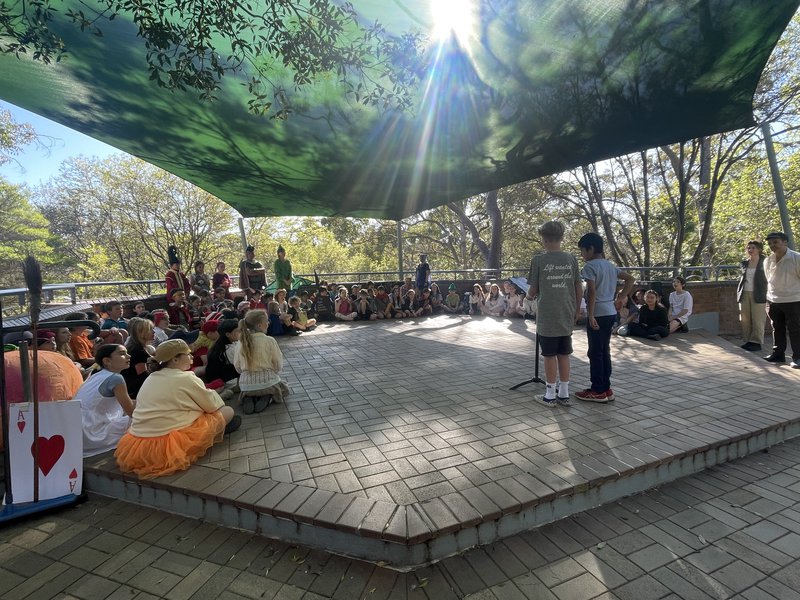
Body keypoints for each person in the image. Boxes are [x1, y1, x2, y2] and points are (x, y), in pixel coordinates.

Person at [115, 339, 241, 479]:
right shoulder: (185, 377)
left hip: (140, 443)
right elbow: (212, 406)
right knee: (228, 411)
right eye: (188, 353)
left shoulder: (151, 378)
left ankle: (216, 431)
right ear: (175, 359)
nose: (192, 356)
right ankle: (215, 432)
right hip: (170, 442)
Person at [527, 221, 583, 407]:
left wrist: (527, 297)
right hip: (566, 312)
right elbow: (578, 287)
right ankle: (564, 393)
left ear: (544, 239)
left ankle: (550, 395)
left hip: (547, 315)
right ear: (562, 237)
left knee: (549, 354)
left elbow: (533, 289)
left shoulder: (538, 260)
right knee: (564, 353)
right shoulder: (571, 259)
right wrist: (577, 309)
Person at [574, 232, 635, 403]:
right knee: (604, 350)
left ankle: (597, 390)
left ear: (591, 249)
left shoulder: (590, 267)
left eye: (582, 251)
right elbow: (631, 279)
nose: (582, 255)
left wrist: (591, 314)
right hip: (610, 312)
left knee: (595, 352)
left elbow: (591, 292)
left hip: (598, 313)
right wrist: (620, 297)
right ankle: (606, 388)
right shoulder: (610, 266)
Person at [74, 344, 134, 457]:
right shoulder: (116, 378)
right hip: (93, 434)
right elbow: (131, 412)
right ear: (107, 361)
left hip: (78, 431)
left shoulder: (96, 375)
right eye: (122, 354)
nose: (128, 356)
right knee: (144, 418)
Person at [234, 310, 290, 414]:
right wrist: (275, 372)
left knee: (251, 389)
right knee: (284, 389)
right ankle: (268, 397)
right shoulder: (269, 340)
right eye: (267, 321)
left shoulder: (241, 342)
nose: (268, 323)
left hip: (246, 385)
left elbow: (237, 366)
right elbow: (277, 363)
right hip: (268, 382)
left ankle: (249, 397)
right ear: (259, 325)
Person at [763, 231, 800, 368]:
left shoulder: (797, 258)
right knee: (777, 328)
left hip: (794, 300)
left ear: (785, 242)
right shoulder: (767, 260)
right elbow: (769, 279)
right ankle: (778, 354)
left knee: (796, 330)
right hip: (773, 300)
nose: (772, 245)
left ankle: (798, 357)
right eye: (770, 243)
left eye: (775, 242)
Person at [737, 240, 768, 352]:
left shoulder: (765, 262)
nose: (750, 250)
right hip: (744, 293)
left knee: (758, 320)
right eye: (748, 248)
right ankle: (748, 340)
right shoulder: (744, 263)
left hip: (759, 293)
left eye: (753, 247)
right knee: (745, 319)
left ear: (759, 249)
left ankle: (756, 342)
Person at [121, 316, 156, 399]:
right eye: (150, 329)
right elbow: (142, 376)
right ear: (141, 333)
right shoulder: (138, 351)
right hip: (135, 392)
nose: (154, 332)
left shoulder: (135, 346)